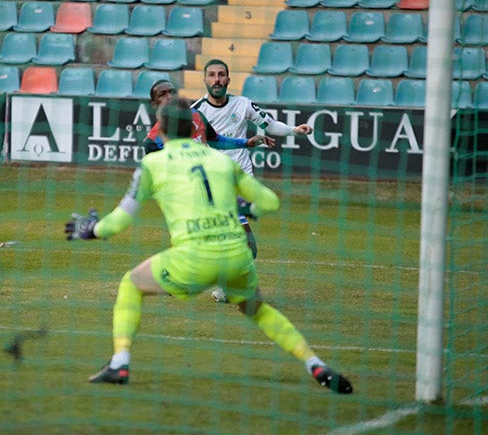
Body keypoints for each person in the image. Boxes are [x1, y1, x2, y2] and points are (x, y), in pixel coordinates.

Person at [65, 97, 352, 394]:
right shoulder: (221, 161)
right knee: (257, 309)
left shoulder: (152, 163)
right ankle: (314, 363)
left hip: (194, 259)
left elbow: (118, 223)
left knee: (131, 284)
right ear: (193, 127)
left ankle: (119, 363)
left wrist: (91, 230)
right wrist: (248, 210)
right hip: (236, 254)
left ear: (160, 128)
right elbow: (271, 201)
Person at [191, 59, 314, 265]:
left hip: (242, 180)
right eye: (212, 75)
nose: (217, 80)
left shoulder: (243, 104)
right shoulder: (196, 112)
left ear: (228, 79)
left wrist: (294, 130)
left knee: (247, 246)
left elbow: (270, 125)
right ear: (204, 79)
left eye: (221, 75)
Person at [142, 79, 275, 154]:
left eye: (172, 92)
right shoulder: (152, 143)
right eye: (162, 94)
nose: (169, 97)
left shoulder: (196, 115)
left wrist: (246, 143)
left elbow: (215, 140)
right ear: (154, 104)